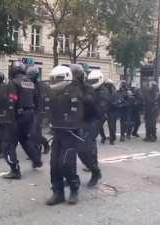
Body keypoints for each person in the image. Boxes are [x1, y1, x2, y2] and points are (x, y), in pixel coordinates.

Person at [46, 64, 90, 206]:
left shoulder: (75, 92)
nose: (53, 81)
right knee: (54, 164)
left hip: (71, 134)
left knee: (66, 163)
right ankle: (58, 192)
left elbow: (77, 114)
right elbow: (49, 110)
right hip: (58, 132)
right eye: (52, 78)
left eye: (56, 78)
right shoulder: (53, 93)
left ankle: (74, 189)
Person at [3, 61, 42, 180]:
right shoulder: (30, 83)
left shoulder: (13, 82)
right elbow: (36, 99)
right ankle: (36, 160)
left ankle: (15, 170)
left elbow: (12, 100)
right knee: (25, 140)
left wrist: (9, 117)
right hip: (29, 114)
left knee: (9, 144)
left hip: (17, 114)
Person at [26, 66, 50, 154]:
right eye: (28, 75)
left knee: (34, 132)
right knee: (32, 132)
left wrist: (47, 114)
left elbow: (47, 100)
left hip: (39, 111)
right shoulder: (27, 85)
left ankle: (36, 150)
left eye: (31, 75)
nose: (29, 77)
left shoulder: (43, 86)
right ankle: (44, 144)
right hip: (30, 111)